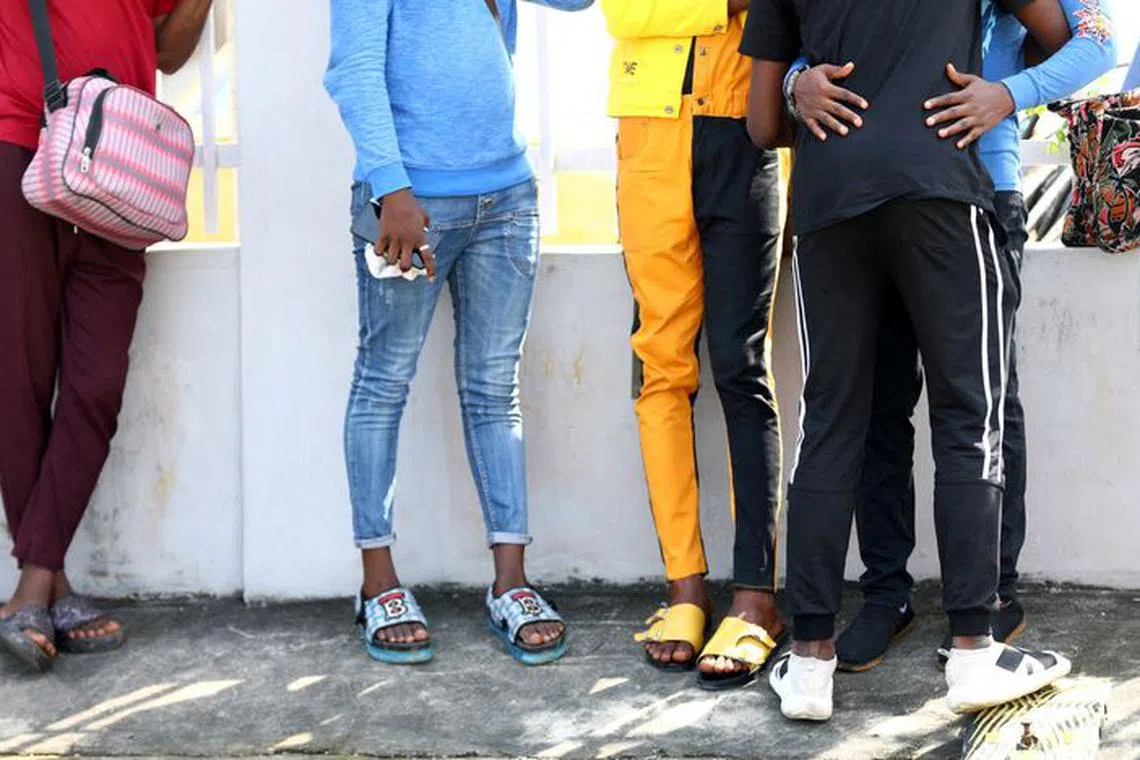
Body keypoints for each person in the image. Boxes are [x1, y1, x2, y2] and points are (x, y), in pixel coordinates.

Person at [743, 0, 1075, 721]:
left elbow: (763, 125)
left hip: (832, 200)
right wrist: (997, 86)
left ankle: (810, 665)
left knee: (829, 423)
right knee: (969, 418)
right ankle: (974, 651)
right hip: (940, 187)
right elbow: (1062, 35)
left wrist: (804, 84)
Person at [323, 0, 592, 667]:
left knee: (495, 388)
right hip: (411, 202)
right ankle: (379, 582)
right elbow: (354, 70)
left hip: (507, 196)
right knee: (383, 383)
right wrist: (391, 188)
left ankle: (511, 582)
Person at [0, 0, 213, 674]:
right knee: (18, 374)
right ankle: (48, 584)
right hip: (17, 139)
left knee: (96, 383)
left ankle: (34, 586)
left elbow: (168, 52)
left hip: (116, 154)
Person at [600, 0, 786, 688]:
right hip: (652, 137)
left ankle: (755, 596)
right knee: (662, 367)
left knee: (742, 364)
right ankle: (684, 589)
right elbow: (623, 10)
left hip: (747, 126)